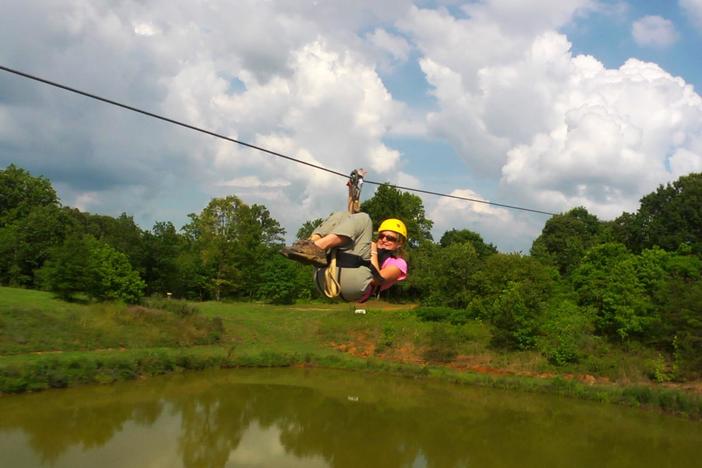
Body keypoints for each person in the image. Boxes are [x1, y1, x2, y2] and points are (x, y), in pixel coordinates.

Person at [281, 212, 408, 302]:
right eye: (381, 236)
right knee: (341, 216)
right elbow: (352, 219)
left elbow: (377, 280)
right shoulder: (367, 247)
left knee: (364, 218)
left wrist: (373, 252)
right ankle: (309, 245)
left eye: (390, 238)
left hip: (354, 287)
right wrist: (353, 190)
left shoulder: (398, 263)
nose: (384, 240)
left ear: (400, 243)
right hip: (325, 281)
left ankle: (315, 247)